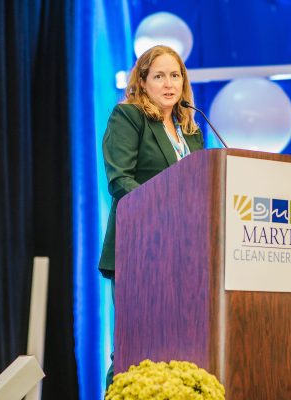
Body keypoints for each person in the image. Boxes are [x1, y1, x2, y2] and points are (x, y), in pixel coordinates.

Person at [98, 45, 204, 389]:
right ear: (142, 82)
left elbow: (202, 187)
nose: (169, 83)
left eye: (175, 75)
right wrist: (165, 217)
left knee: (181, 349)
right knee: (133, 349)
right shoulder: (129, 117)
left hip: (186, 257)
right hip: (139, 250)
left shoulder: (191, 129)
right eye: (159, 75)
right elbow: (120, 180)